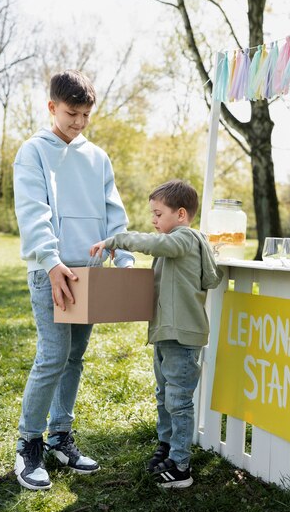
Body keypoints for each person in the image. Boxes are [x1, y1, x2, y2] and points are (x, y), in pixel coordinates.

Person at [13, 69, 134, 491]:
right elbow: (33, 212)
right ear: (52, 107)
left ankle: (60, 435)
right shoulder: (33, 152)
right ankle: (28, 445)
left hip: (89, 274)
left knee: (75, 357)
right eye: (71, 114)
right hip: (52, 272)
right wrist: (49, 260)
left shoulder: (97, 157)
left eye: (85, 115)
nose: (79, 123)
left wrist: (122, 259)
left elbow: (112, 212)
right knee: (52, 356)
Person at [90, 179, 223, 488]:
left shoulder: (185, 239)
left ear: (180, 214)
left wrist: (116, 240)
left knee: (178, 401)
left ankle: (180, 466)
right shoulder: (176, 243)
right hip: (166, 335)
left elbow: (154, 244)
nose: (153, 220)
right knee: (164, 396)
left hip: (182, 338)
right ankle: (166, 446)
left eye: (158, 214)